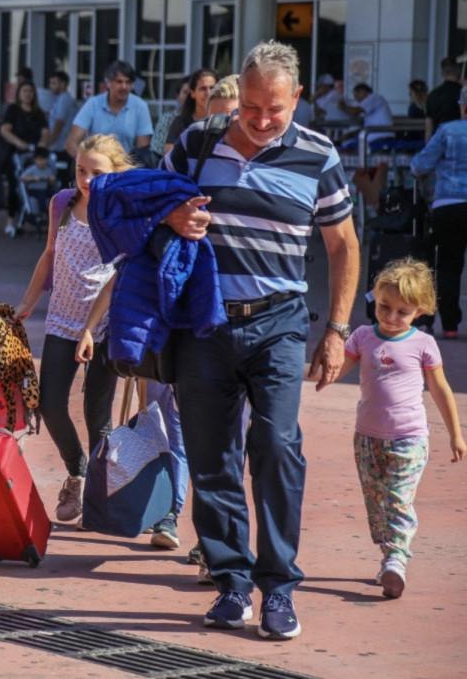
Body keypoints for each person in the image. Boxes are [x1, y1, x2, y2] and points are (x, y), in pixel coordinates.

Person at [162, 40, 359, 640]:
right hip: (204, 323)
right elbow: (148, 207)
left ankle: (278, 588)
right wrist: (170, 217)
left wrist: (337, 331)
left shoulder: (318, 155)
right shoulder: (197, 142)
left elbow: (343, 246)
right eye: (250, 107)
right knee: (211, 456)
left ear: (296, 98)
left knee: (276, 445)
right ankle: (231, 582)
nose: (261, 119)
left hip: (280, 322)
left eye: (274, 108)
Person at [13, 135, 130, 522]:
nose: (87, 180)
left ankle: (99, 497)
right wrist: (28, 302)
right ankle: (77, 471)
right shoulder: (61, 203)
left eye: (97, 172)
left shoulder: (118, 213)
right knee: (49, 404)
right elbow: (49, 254)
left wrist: (91, 329)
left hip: (104, 325)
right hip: (62, 320)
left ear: (115, 172)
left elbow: (116, 278)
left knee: (98, 415)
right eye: (81, 170)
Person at [338, 258, 467, 602]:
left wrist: (455, 433)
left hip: (409, 439)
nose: (391, 317)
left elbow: (440, 389)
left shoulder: (423, 343)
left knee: (397, 499)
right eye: (384, 306)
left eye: (402, 312)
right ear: (375, 297)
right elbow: (336, 368)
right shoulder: (363, 336)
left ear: (420, 311)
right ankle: (388, 556)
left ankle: (397, 558)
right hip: (367, 439)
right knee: (376, 502)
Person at [410, 86, 467, 339]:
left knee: (448, 266)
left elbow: (420, 165)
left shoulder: (447, 130)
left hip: (448, 204)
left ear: (462, 106)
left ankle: (450, 325)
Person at [65, 61, 153, 160]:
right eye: (119, 82)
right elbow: (71, 143)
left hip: (126, 166)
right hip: (95, 165)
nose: (124, 87)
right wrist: (88, 162)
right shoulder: (93, 104)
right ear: (108, 83)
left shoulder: (140, 106)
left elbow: (143, 150)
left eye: (128, 82)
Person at [0, 81, 49, 237]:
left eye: (30, 91)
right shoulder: (13, 110)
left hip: (34, 154)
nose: (28, 94)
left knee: (40, 183)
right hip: (15, 154)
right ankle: (10, 221)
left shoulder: (38, 113)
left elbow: (45, 132)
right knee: (15, 185)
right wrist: (18, 143)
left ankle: (36, 213)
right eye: (25, 91)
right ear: (19, 93)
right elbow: (5, 130)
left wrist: (42, 143)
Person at [164, 68, 218, 155]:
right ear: (192, 93)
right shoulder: (180, 122)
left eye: (212, 88)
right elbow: (169, 155)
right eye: (203, 88)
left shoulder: (224, 122)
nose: (208, 93)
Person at [339, 83, 394, 147]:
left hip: (380, 137)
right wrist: (350, 135)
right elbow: (366, 125)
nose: (356, 99)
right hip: (373, 135)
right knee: (346, 144)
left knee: (347, 147)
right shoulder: (369, 103)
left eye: (357, 95)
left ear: (363, 91)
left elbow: (354, 112)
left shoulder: (374, 97)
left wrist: (343, 106)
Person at [425, 56, 463, 140]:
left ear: (442, 73)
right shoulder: (463, 93)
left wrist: (428, 145)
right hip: (459, 141)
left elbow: (428, 128)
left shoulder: (433, 95)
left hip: (438, 140)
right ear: (458, 71)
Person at [46, 71, 78, 161]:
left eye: (54, 83)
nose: (50, 86)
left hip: (60, 147)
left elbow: (59, 123)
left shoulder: (64, 99)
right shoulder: (60, 99)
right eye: (50, 83)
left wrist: (50, 141)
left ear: (63, 84)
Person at [152, 80, 189, 159]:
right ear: (178, 96)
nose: (189, 97)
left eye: (191, 92)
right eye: (185, 92)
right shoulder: (167, 118)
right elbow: (156, 150)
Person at [17, 146, 58, 213]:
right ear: (35, 160)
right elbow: (22, 178)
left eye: (43, 159)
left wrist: (51, 180)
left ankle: (55, 211)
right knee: (41, 196)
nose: (41, 162)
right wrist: (33, 178)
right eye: (39, 160)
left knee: (54, 194)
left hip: (44, 189)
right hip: (33, 190)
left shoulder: (48, 170)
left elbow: (52, 181)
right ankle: (43, 212)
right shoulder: (32, 169)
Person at [312, 74, 351, 138]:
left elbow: (319, 110)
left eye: (322, 86)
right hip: (331, 126)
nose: (320, 88)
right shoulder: (325, 96)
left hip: (340, 126)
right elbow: (312, 102)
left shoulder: (334, 94)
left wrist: (318, 93)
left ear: (326, 86)